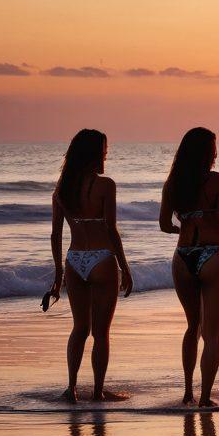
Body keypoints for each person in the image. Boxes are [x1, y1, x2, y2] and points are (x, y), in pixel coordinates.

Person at [159, 128, 219, 407]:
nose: (215, 154)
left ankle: (188, 392)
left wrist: (185, 226)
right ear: (206, 152)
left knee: (192, 327)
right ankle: (204, 398)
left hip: (183, 255)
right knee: (211, 334)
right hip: (213, 253)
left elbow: (164, 225)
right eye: (213, 148)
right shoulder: (218, 181)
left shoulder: (172, 184)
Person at [49, 129, 133, 403]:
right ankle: (98, 391)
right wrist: (125, 267)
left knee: (79, 328)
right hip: (102, 259)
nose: (106, 155)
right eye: (104, 151)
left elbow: (55, 235)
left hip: (74, 260)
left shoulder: (62, 189)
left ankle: (71, 388)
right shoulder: (106, 185)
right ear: (94, 154)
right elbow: (111, 229)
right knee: (101, 333)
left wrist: (58, 274)